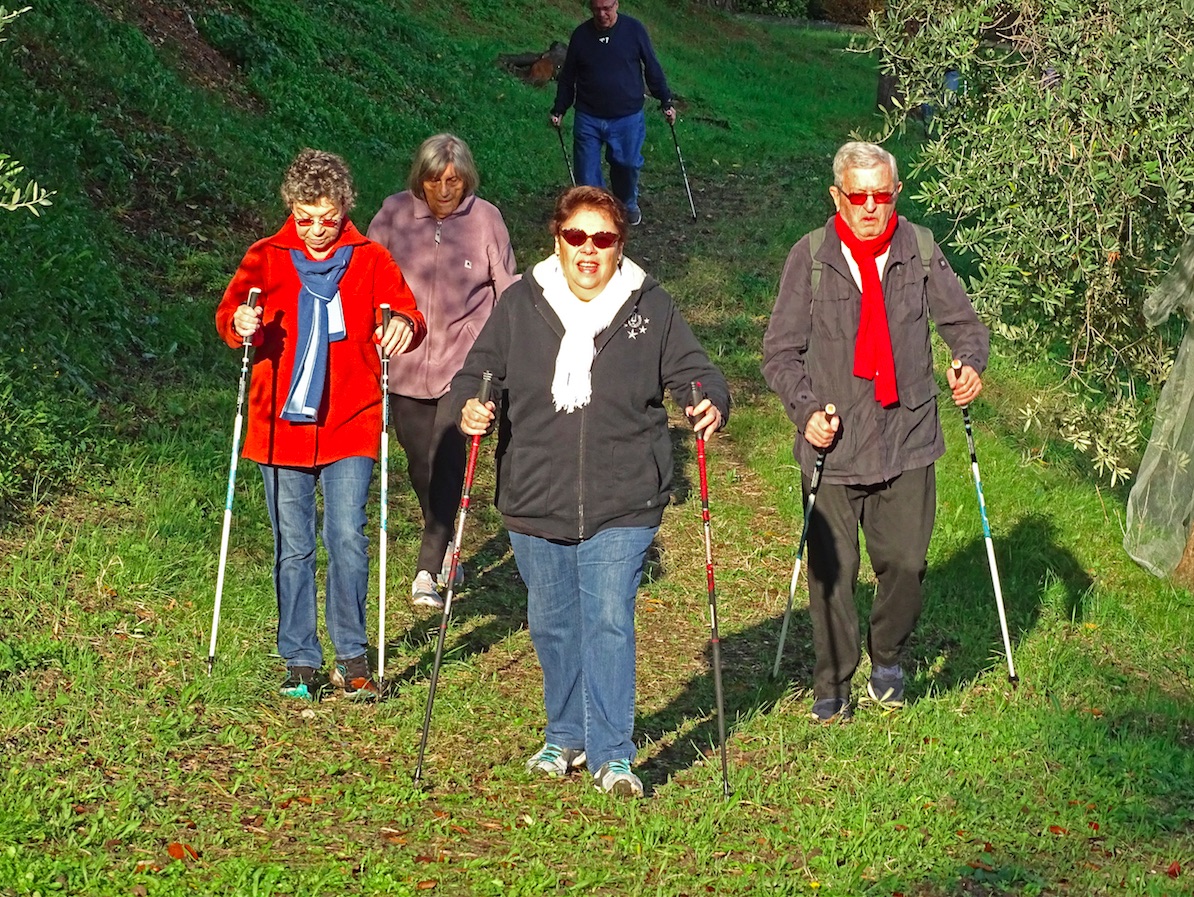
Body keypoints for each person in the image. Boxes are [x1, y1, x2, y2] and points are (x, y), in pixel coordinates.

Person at [452, 186, 729, 796]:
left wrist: (707, 402)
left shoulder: (648, 307)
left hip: (624, 496)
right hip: (534, 493)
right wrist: (470, 407)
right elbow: (476, 375)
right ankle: (565, 736)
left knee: (607, 617)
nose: (588, 250)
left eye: (602, 239)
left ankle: (612, 754)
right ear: (557, 240)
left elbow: (696, 372)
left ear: (618, 246)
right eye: (576, 237)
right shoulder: (523, 302)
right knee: (553, 623)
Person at [762, 141, 988, 724]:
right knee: (832, 575)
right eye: (857, 196)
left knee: (906, 564)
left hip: (906, 437)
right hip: (832, 443)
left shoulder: (920, 250)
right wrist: (805, 409)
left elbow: (963, 324)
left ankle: (887, 656)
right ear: (836, 195)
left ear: (895, 195)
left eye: (880, 196)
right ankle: (832, 680)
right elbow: (780, 354)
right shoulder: (810, 257)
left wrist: (968, 363)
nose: (869, 207)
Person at [215, 149, 426, 702]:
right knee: (294, 544)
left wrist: (403, 325)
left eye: (327, 219)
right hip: (280, 424)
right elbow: (231, 319)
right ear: (291, 209)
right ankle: (300, 660)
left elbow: (407, 312)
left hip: (349, 420)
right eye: (305, 218)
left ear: (344, 210)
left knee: (347, 539)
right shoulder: (266, 257)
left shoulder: (370, 259)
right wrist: (241, 322)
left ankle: (352, 657)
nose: (315, 230)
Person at [367, 134, 519, 610]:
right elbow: (367, 279)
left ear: (466, 178)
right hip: (406, 361)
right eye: (435, 181)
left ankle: (427, 568)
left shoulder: (485, 219)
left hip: (465, 366)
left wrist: (507, 351)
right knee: (421, 467)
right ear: (421, 179)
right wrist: (380, 322)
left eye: (454, 180)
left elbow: (509, 288)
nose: (445, 189)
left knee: (447, 455)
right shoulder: (393, 215)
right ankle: (448, 534)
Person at [550, 0, 677, 227]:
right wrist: (559, 108)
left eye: (607, 8)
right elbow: (568, 77)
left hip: (627, 116)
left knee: (627, 165)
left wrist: (665, 99)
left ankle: (626, 204)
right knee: (586, 176)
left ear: (616, 5)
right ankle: (598, 215)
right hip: (588, 115)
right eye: (597, 9)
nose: (602, 14)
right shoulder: (581, 35)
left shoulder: (634, 30)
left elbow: (652, 66)